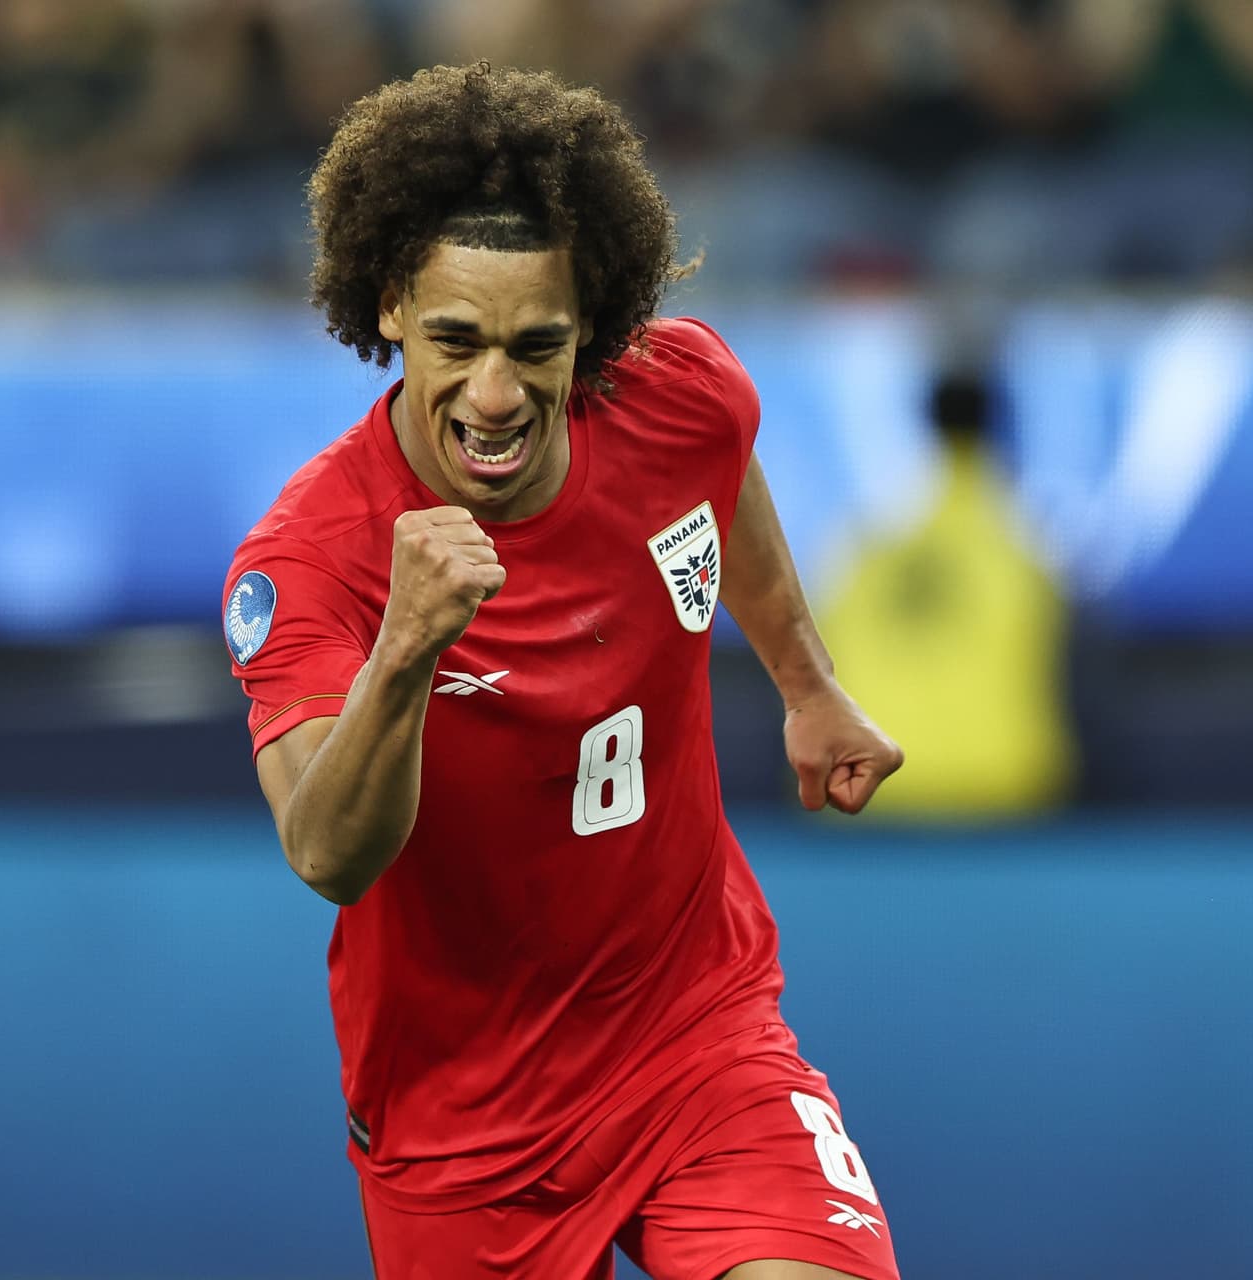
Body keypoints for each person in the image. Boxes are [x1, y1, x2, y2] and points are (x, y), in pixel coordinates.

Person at [223, 63, 905, 1280]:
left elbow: (719, 469)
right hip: (464, 1124)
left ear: (591, 323)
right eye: (455, 340)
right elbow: (329, 854)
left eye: (535, 344)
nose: (494, 394)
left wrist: (808, 682)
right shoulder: (311, 559)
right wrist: (407, 648)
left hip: (696, 1039)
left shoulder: (678, 392)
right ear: (390, 307)